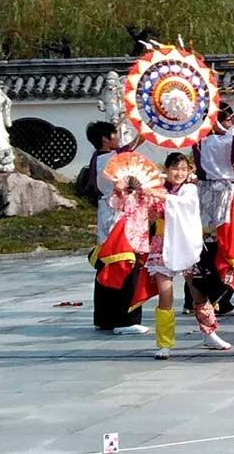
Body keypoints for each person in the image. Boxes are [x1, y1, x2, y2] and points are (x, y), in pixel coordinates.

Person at [132, 153, 210, 359]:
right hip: (162, 243)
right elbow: (145, 213)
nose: (180, 173)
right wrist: (137, 193)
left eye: (184, 169)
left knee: (198, 291)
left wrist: (158, 195)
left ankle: (210, 331)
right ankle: (164, 342)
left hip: (185, 243)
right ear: (166, 169)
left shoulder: (190, 189)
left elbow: (184, 205)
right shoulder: (156, 189)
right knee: (165, 294)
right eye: (175, 168)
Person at [186, 104, 234, 316]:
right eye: (227, 119)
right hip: (225, 197)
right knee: (225, 249)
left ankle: (194, 298)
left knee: (206, 248)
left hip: (204, 195)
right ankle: (221, 299)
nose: (231, 123)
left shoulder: (199, 140)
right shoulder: (224, 141)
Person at [87, 121, 146, 334]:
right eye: (114, 134)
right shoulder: (111, 159)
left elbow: (129, 148)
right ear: (104, 138)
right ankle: (127, 318)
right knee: (127, 266)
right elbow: (133, 145)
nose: (116, 138)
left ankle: (104, 317)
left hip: (108, 215)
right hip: (119, 217)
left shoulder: (97, 159)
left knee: (107, 265)